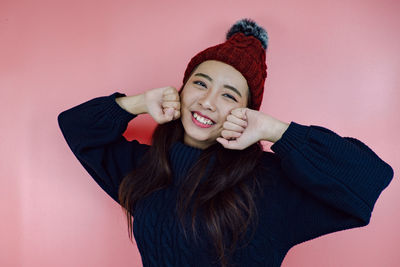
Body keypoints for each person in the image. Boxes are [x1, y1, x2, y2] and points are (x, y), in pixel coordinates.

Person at [57, 18, 394, 267]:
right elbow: (76, 127)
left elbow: (369, 178)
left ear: (245, 114)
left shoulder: (274, 183)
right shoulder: (147, 169)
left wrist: (276, 131)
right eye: (200, 84)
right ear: (181, 89)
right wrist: (140, 103)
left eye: (229, 95)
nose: (207, 101)